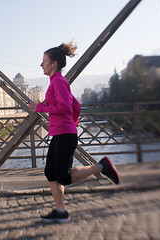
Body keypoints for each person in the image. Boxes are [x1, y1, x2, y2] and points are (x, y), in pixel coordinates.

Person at [29, 41, 120, 223]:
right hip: (61, 134)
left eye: (44, 61)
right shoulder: (56, 82)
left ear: (54, 63)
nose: (41, 64)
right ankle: (60, 211)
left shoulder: (59, 82)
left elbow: (64, 107)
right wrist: (73, 123)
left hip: (64, 135)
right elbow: (75, 106)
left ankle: (102, 166)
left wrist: (40, 107)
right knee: (51, 173)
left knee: (63, 176)